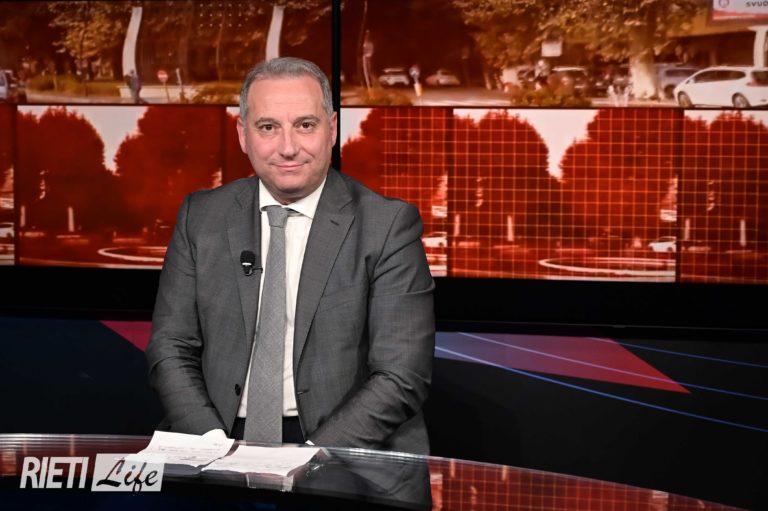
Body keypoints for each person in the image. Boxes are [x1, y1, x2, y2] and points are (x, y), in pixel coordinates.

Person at [146, 57, 435, 454]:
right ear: (243, 134)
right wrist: (211, 445)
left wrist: (311, 458)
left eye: (305, 125)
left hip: (342, 448)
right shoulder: (202, 216)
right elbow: (171, 346)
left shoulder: (387, 226)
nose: (287, 148)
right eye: (268, 127)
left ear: (332, 129)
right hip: (215, 438)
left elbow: (401, 375)